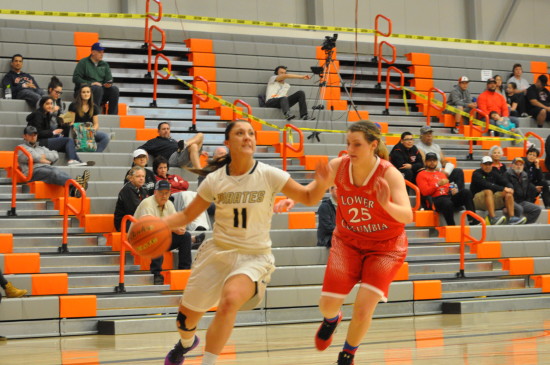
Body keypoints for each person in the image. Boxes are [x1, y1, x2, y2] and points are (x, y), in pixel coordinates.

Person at [158, 120, 331, 365]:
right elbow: (186, 215)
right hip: (217, 252)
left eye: (251, 133)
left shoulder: (269, 174)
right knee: (184, 322)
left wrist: (321, 182)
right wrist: (159, 224)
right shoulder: (215, 179)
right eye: (240, 133)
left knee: (229, 299)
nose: (247, 137)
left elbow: (308, 196)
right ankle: (187, 343)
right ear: (228, 143)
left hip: (254, 256)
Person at [307, 121, 412, 365]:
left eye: (357, 144)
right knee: (327, 305)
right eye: (348, 144)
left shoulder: (389, 173)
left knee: (364, 307)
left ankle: (347, 355)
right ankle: (332, 319)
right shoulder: (338, 166)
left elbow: (407, 215)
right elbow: (310, 194)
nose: (350, 149)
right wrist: (312, 187)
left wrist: (386, 204)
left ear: (373, 145)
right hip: (348, 242)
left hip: (386, 247)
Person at [133, 180, 194, 285]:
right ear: (155, 192)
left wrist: (181, 227)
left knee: (185, 236)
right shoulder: (147, 203)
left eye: (167, 193)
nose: (164, 195)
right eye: (161, 192)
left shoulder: (169, 204)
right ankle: (156, 274)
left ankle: (184, 271)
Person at [17, 126, 90, 197]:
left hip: (46, 168)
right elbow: (32, 156)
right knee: (53, 172)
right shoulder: (21, 147)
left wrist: (42, 158)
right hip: (32, 172)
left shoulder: (41, 148)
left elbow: (55, 155)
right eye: (30, 135)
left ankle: (74, 188)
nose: (33, 136)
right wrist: (42, 158)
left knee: (58, 171)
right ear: (25, 136)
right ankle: (75, 185)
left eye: (35, 134)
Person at [26, 96, 92, 166]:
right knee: (68, 140)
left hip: (45, 140)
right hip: (38, 142)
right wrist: (53, 132)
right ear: (42, 105)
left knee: (69, 146)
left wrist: (56, 132)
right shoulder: (38, 115)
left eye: (51, 104)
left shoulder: (46, 114)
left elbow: (47, 130)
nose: (50, 106)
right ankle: (72, 161)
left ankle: (78, 161)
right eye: (47, 104)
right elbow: (37, 133)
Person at [416, 153, 477, 226]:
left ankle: (472, 219)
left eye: (434, 160)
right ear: (425, 162)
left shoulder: (441, 174)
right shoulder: (421, 174)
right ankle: (451, 225)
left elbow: (447, 186)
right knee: (447, 202)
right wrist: (437, 184)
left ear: (437, 162)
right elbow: (425, 192)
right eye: (430, 160)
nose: (432, 162)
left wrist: (452, 190)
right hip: (434, 199)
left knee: (466, 192)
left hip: (447, 197)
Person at [470, 156, 525, 225]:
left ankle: (512, 218)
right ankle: (492, 218)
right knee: (488, 191)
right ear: (481, 165)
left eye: (489, 164)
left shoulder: (494, 172)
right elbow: (487, 184)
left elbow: (505, 181)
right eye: (485, 164)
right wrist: (503, 188)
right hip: (476, 200)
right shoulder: (476, 173)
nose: (488, 166)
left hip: (490, 198)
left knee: (508, 193)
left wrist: (510, 188)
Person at [72, 42, 119, 115]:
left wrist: (108, 84)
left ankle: (112, 115)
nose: (102, 54)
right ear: (93, 52)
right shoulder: (83, 62)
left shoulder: (105, 64)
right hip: (85, 90)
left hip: (100, 89)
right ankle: (95, 114)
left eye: (103, 52)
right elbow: (76, 78)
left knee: (114, 89)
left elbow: (109, 79)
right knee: (97, 88)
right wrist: (91, 83)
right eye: (100, 52)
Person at [138, 122, 207, 170]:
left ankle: (186, 144)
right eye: (164, 129)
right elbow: (140, 148)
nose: (166, 131)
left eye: (168, 129)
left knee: (200, 135)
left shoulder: (173, 140)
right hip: (173, 159)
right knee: (194, 146)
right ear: (158, 131)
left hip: (183, 156)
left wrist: (199, 151)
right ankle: (199, 170)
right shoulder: (154, 141)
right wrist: (145, 153)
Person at [68, 85, 110, 152]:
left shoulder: (94, 107)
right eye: (83, 92)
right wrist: (81, 130)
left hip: (89, 132)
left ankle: (96, 154)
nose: (86, 94)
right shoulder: (73, 105)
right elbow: (71, 122)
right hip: (77, 131)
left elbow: (96, 124)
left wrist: (91, 130)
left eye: (88, 92)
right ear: (80, 94)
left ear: (91, 94)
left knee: (105, 137)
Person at [504, 157, 541, 224]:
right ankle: (515, 224)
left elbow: (528, 190)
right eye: (517, 164)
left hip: (522, 201)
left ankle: (524, 224)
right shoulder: (507, 174)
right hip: (510, 201)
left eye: (520, 165)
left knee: (537, 209)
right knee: (519, 209)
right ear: (512, 165)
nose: (519, 166)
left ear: (523, 166)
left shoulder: (525, 175)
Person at [113, 166, 148, 233]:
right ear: (131, 178)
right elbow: (136, 209)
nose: (141, 178)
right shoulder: (127, 189)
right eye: (138, 176)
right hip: (124, 223)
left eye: (143, 176)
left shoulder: (142, 189)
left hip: (135, 220)